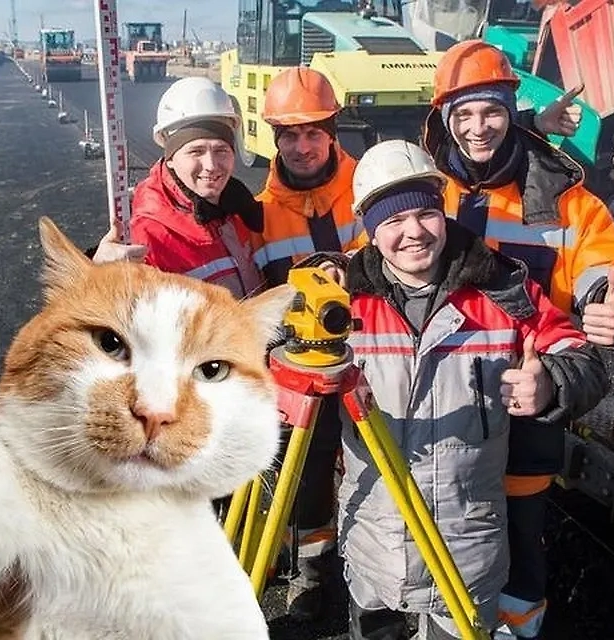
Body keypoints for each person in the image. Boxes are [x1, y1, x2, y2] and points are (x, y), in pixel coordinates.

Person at [422, 40, 614, 639]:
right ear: (445, 121)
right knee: (432, 532)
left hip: (526, 401)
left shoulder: (565, 202)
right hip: (436, 405)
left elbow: (612, 266)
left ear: (511, 111)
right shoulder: (423, 192)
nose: (479, 129)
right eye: (464, 115)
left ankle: (518, 628)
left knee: (521, 540)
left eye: (492, 112)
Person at [339, 139, 609, 640]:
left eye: (426, 213)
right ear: (370, 232)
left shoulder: (504, 291)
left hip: (467, 548)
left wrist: (551, 383)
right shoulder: (341, 302)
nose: (414, 232)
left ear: (444, 213)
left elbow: (583, 361)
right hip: (374, 543)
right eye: (394, 221)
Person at [251, 65, 369, 620]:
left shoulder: (367, 191)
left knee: (378, 467)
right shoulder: (258, 213)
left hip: (375, 360)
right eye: (290, 135)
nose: (302, 147)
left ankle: (382, 574)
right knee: (309, 471)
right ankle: (314, 572)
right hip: (303, 371)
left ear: (332, 133)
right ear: (275, 138)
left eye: (312, 133)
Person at [127, 76, 266, 298]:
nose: (211, 165)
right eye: (196, 151)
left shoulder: (240, 210)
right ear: (170, 158)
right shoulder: (148, 235)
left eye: (221, 150)